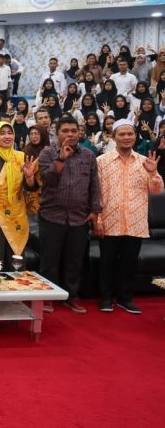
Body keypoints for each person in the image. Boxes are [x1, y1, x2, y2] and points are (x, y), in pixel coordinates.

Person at [95, 119, 163, 313]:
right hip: (109, 220)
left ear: (135, 136)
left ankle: (126, 298)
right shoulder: (101, 161)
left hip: (135, 222)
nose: (126, 138)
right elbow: (96, 193)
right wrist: (97, 219)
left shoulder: (145, 161)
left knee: (129, 263)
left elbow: (157, 190)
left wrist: (153, 174)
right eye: (121, 134)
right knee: (107, 262)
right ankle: (106, 298)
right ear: (113, 137)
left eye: (130, 134)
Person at [37, 116, 101, 314]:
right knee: (50, 260)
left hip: (79, 217)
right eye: (66, 130)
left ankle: (71, 297)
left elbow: (94, 185)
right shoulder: (47, 152)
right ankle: (47, 298)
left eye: (74, 130)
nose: (71, 134)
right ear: (56, 133)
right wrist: (61, 158)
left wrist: (95, 211)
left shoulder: (89, 155)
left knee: (75, 261)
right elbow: (47, 179)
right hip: (52, 215)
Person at [0, 122, 38, 266]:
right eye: (2, 133)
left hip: (17, 212)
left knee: (15, 253)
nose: (7, 136)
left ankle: (15, 286)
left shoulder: (21, 157)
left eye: (9, 133)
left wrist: (29, 177)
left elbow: (31, 188)